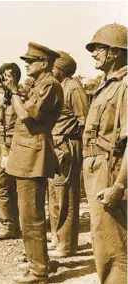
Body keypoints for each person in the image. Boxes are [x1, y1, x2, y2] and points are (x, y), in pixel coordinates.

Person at [4, 42, 63, 283]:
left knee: (31, 215)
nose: (26, 64)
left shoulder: (48, 85)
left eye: (31, 60)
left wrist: (14, 91)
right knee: (27, 213)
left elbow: (28, 115)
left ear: (45, 63)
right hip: (26, 154)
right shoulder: (39, 84)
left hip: (33, 156)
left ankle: (39, 271)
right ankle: (37, 261)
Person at [82, 23, 127, 283]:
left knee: (113, 247)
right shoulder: (107, 84)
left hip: (110, 172)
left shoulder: (124, 86)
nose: (94, 53)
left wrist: (119, 185)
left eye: (98, 48)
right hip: (98, 169)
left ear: (115, 53)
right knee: (102, 242)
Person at [48, 51, 89, 258]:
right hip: (56, 146)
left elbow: (85, 122)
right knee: (55, 195)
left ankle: (67, 245)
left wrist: (78, 151)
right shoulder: (59, 87)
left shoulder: (73, 89)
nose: (50, 71)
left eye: (53, 68)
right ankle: (57, 238)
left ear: (61, 69)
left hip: (67, 147)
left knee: (67, 198)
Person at [0, 63, 21, 240]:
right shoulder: (6, 98)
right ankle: (13, 224)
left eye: (8, 77)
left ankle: (8, 224)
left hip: (10, 149)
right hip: (1, 147)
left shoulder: (19, 97)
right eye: (2, 77)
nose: (4, 81)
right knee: (8, 187)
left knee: (0, 185)